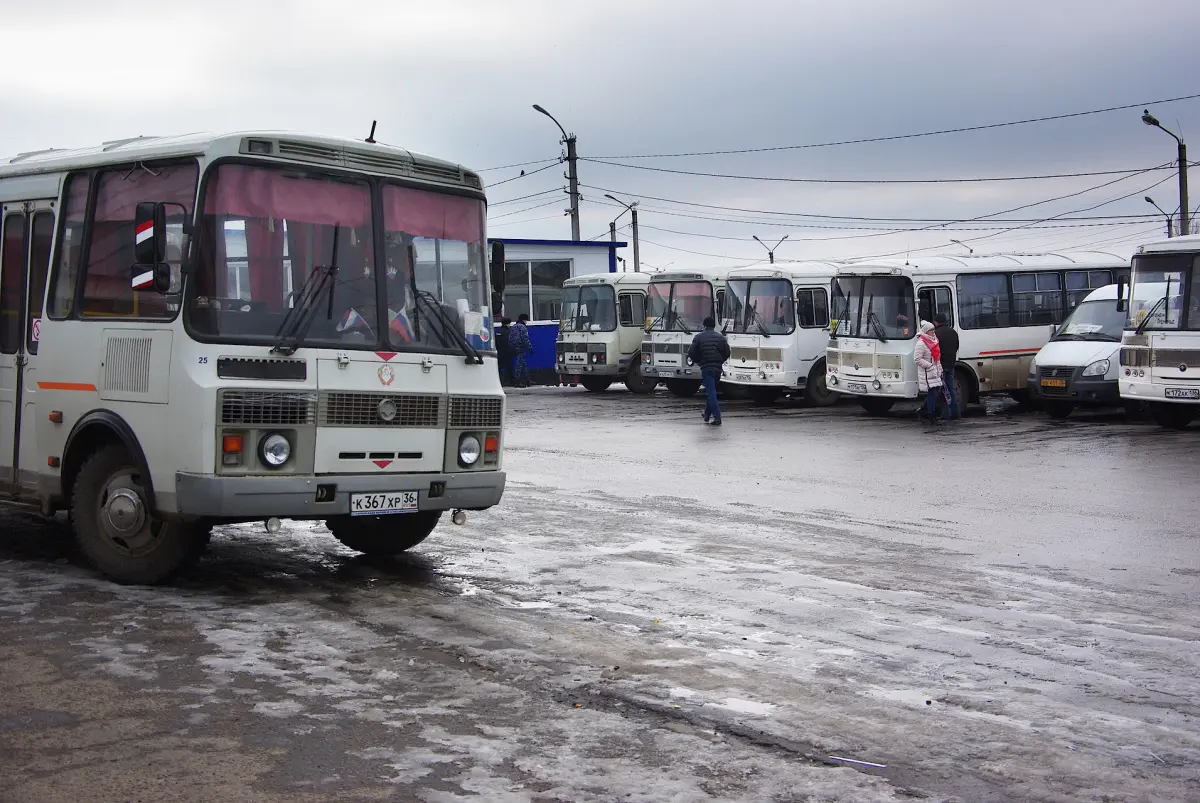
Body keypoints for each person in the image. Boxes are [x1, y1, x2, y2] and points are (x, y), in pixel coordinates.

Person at [687, 316, 731, 426]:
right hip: (717, 368)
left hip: (706, 367)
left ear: (704, 325)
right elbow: (727, 352)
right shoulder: (720, 338)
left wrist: (699, 361)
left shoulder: (699, 337)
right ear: (714, 326)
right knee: (712, 391)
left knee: (711, 393)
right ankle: (706, 415)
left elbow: (691, 352)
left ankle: (717, 417)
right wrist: (720, 361)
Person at [914, 320, 946, 424]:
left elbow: (937, 358)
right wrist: (930, 366)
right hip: (928, 372)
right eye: (931, 330)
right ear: (926, 331)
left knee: (935, 392)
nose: (933, 332)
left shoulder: (934, 341)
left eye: (933, 330)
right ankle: (930, 415)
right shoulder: (921, 343)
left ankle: (923, 410)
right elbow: (917, 359)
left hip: (935, 371)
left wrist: (939, 368)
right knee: (933, 393)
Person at [932, 313, 960, 420]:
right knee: (951, 389)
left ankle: (945, 414)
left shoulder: (936, 334)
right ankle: (955, 413)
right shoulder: (953, 332)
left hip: (941, 365)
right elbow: (956, 346)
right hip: (951, 364)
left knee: (943, 390)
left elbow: (935, 350)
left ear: (937, 322)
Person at [509, 313, 533, 388]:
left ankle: (527, 380)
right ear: (524, 320)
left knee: (523, 363)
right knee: (519, 364)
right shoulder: (522, 327)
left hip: (513, 347)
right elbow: (525, 339)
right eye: (526, 320)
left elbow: (510, 338)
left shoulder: (513, 327)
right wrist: (530, 348)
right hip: (520, 347)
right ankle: (517, 381)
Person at [497, 318, 515, 386]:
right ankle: (511, 381)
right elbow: (509, 342)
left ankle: (500, 381)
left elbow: (497, 342)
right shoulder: (507, 332)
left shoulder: (499, 331)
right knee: (509, 368)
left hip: (500, 352)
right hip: (507, 352)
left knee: (499, 367)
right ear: (507, 323)